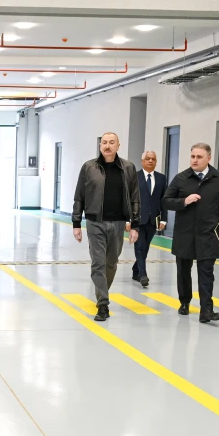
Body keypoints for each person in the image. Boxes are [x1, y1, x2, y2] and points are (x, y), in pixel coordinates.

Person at [161, 143, 219, 324]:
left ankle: (206, 310)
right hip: (184, 233)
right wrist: (184, 201)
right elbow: (166, 201)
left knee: (206, 273)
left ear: (209, 158)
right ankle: (185, 302)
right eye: (192, 156)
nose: (194, 160)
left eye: (199, 157)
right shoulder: (181, 178)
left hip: (208, 234)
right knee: (183, 272)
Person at [72, 132, 140, 322]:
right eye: (104, 142)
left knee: (111, 263)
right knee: (98, 263)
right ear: (100, 145)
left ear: (118, 145)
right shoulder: (89, 167)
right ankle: (103, 304)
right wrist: (76, 223)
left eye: (111, 142)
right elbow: (79, 195)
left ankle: (102, 293)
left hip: (118, 223)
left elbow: (135, 197)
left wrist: (135, 224)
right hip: (95, 221)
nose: (107, 146)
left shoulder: (128, 168)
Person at [131, 150, 168, 288]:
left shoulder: (161, 178)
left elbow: (164, 199)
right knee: (140, 246)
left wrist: (163, 219)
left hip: (153, 219)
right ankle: (143, 275)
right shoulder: (135, 177)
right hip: (138, 219)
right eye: (147, 158)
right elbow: (129, 199)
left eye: (153, 159)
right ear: (142, 161)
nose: (150, 161)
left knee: (145, 247)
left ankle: (136, 269)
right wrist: (128, 220)